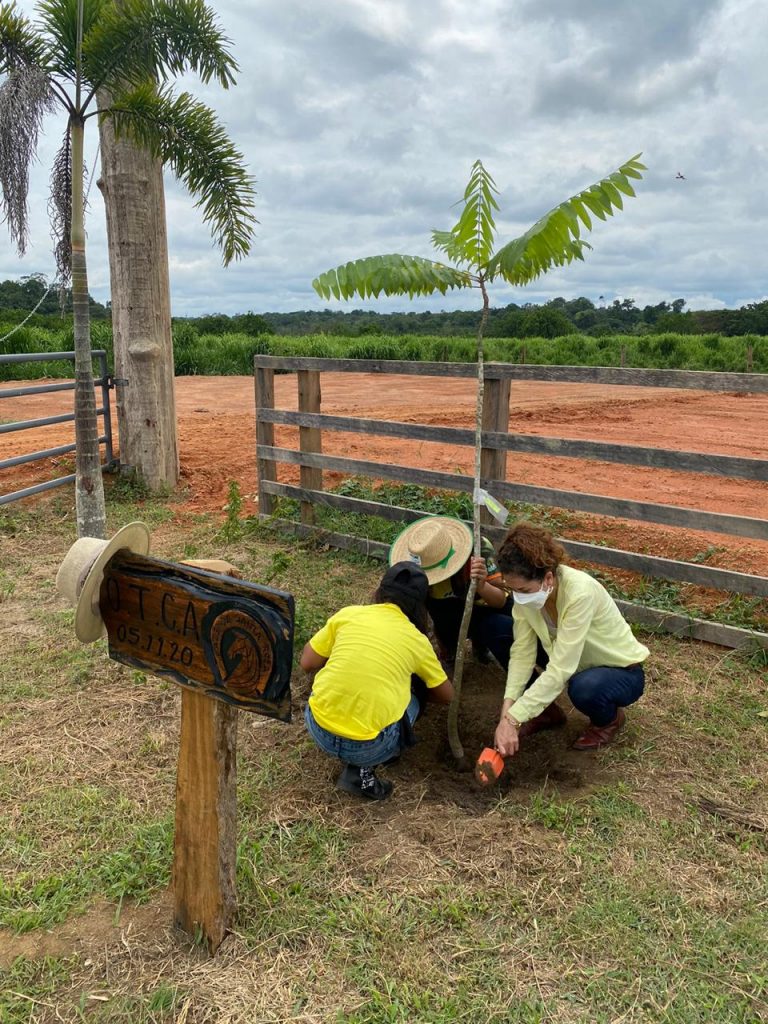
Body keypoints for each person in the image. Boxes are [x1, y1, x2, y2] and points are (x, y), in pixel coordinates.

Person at [301, 562, 454, 801]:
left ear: (380, 590)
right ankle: (368, 765)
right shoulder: (416, 640)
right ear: (420, 605)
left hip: (318, 728)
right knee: (415, 695)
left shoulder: (349, 614)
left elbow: (307, 662)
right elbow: (447, 696)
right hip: (369, 747)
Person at [493, 523, 649, 755]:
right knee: (500, 631)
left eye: (524, 591)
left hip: (619, 671)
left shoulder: (579, 593)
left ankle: (609, 720)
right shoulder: (528, 598)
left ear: (548, 578)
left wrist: (514, 720)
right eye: (514, 590)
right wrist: (508, 709)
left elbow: (561, 668)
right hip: (572, 662)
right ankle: (545, 712)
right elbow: (522, 653)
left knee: (584, 688)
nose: (519, 597)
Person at [389, 515, 514, 670]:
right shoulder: (417, 574)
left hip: (486, 607)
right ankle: (449, 652)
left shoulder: (478, 550)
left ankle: (482, 644)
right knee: (443, 614)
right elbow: (421, 616)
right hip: (450, 618)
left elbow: (501, 601)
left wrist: (482, 586)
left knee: (503, 621)